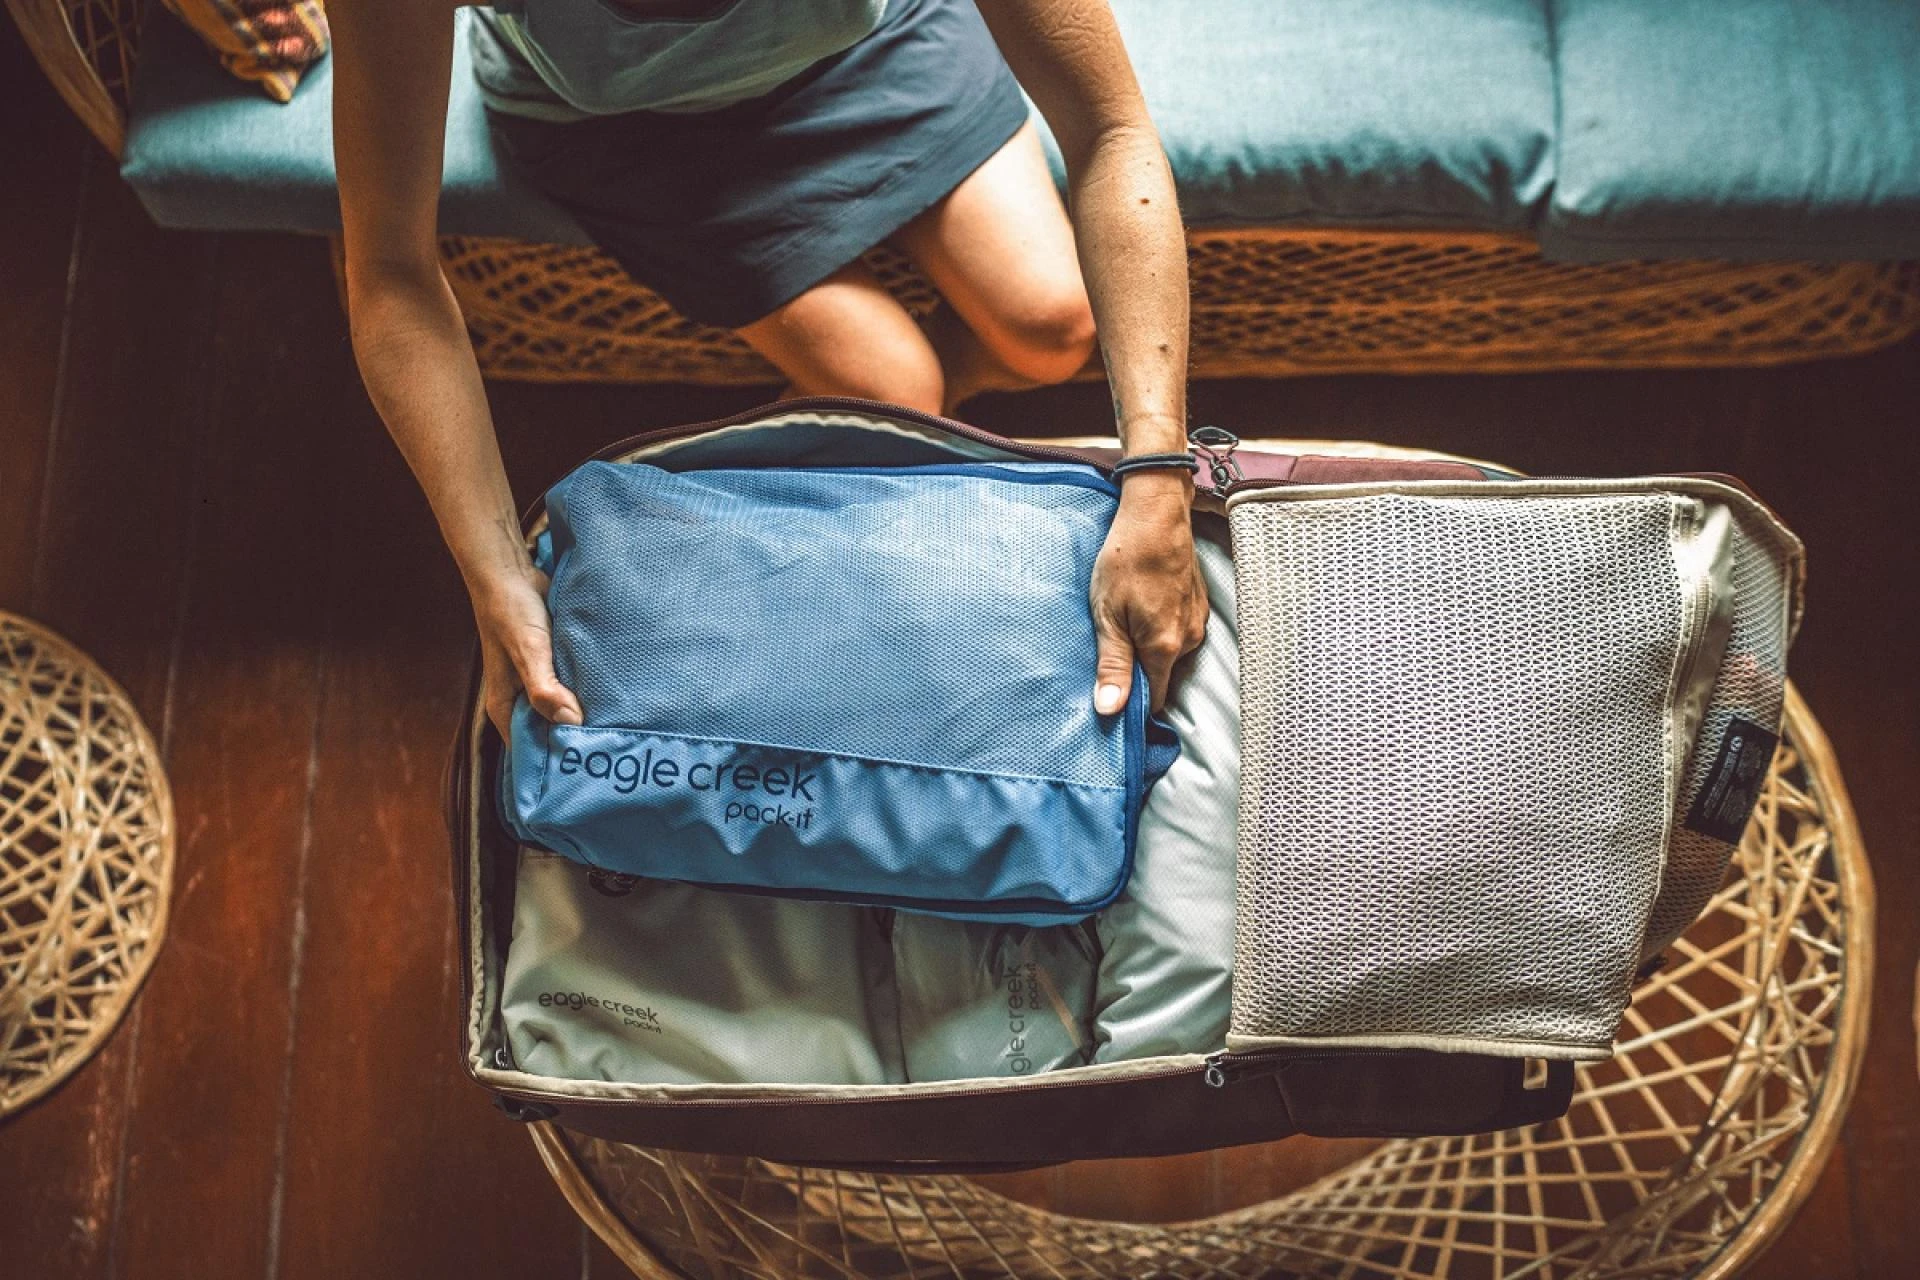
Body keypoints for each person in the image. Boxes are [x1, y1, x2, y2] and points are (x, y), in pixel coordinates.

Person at [330, 0, 1207, 741]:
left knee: (1053, 327)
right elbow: (392, 271)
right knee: (894, 390)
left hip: (876, 47)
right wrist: (493, 570)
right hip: (630, 130)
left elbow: (1110, 128)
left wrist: (1160, 468)